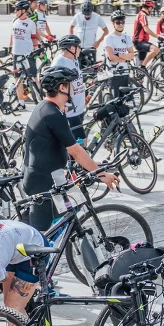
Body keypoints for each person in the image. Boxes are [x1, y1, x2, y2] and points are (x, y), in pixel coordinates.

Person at [21, 66, 118, 233]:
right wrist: (101, 175)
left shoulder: (49, 108)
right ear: (62, 87)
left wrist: (92, 165)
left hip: (53, 176)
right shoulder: (51, 113)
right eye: (70, 84)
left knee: (76, 204)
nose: (74, 89)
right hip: (42, 182)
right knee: (39, 241)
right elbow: (76, 150)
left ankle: (66, 243)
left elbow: (62, 145)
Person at [51, 34, 88, 139]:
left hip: (78, 109)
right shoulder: (59, 62)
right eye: (78, 46)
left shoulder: (74, 60)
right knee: (80, 143)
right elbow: (54, 87)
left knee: (79, 143)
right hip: (70, 112)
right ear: (72, 48)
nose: (80, 49)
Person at [100, 11, 136, 100]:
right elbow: (111, 57)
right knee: (112, 101)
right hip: (112, 74)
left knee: (123, 102)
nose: (120, 24)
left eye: (122, 22)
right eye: (118, 22)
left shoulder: (127, 37)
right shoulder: (109, 38)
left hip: (125, 73)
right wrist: (125, 57)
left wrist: (119, 54)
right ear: (113, 23)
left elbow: (132, 55)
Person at [10, 0, 38, 101]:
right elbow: (12, 35)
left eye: (17, 10)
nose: (15, 11)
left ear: (23, 11)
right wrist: (10, 48)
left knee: (34, 77)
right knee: (17, 78)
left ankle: (40, 98)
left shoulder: (31, 23)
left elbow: (34, 38)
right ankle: (21, 101)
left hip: (28, 54)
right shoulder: (14, 21)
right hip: (16, 54)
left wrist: (37, 50)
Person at [70, 2, 107, 66]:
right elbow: (71, 27)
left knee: (91, 68)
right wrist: (72, 39)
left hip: (91, 47)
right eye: (85, 14)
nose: (87, 16)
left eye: (88, 14)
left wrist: (98, 42)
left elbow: (106, 31)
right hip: (79, 47)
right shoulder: (78, 16)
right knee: (78, 66)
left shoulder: (97, 17)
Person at [132, 0, 158, 67]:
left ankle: (140, 71)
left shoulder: (140, 14)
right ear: (149, 8)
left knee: (141, 63)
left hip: (140, 41)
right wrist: (158, 37)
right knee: (156, 50)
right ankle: (143, 67)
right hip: (140, 42)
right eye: (152, 8)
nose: (151, 10)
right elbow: (146, 29)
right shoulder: (143, 15)